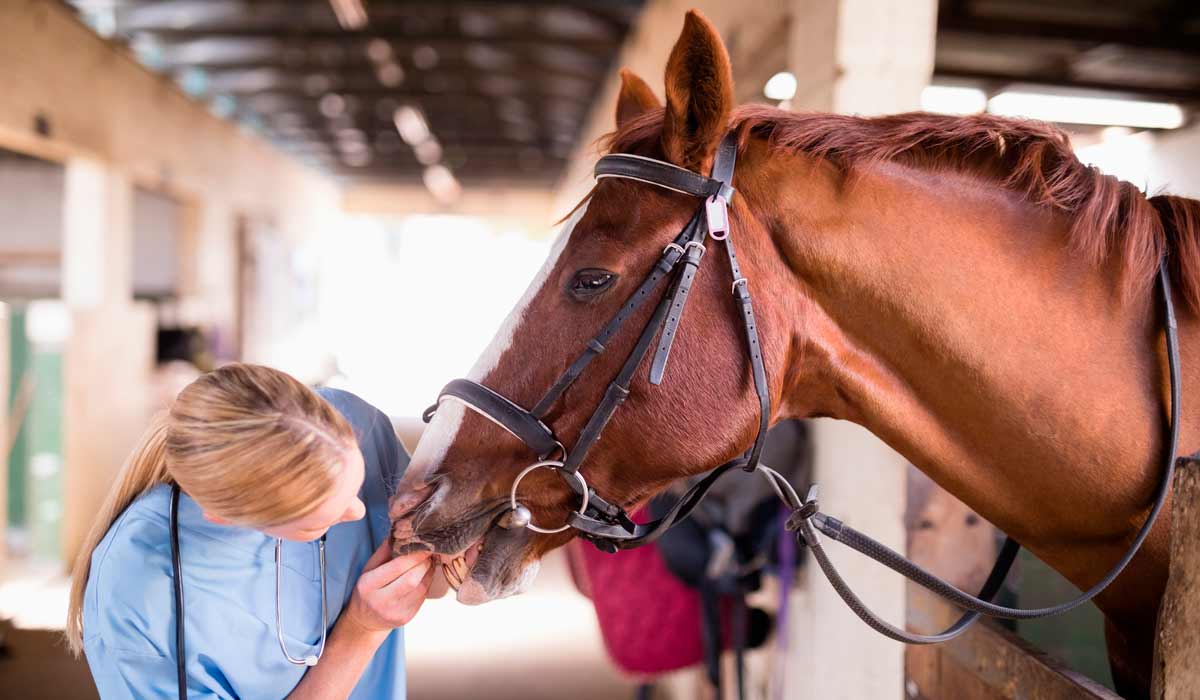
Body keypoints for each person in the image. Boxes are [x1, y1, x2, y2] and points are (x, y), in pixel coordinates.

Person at [64, 363, 434, 698]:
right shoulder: (139, 595)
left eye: (359, 483)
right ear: (226, 517)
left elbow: (437, 581)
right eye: (316, 522)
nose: (359, 512)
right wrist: (362, 630)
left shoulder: (356, 421)